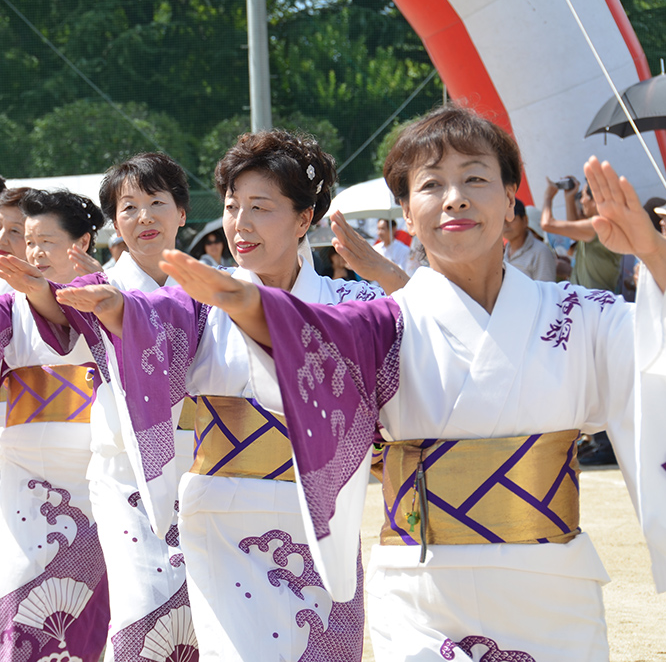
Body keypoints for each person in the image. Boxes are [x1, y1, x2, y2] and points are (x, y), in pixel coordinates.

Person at [71, 105, 666, 661]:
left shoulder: (580, 315)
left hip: (552, 584)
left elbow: (653, 353)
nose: (454, 198)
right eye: (431, 184)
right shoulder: (382, 324)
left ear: (512, 198)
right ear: (406, 212)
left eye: (476, 179)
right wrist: (225, 303)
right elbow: (308, 339)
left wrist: (655, 256)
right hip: (421, 587)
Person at [10, 132, 405, 661]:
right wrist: (117, 308)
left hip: (317, 516)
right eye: (231, 206)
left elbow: (418, 340)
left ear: (304, 219)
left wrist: (391, 276)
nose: (239, 223)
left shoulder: (349, 300)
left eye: (259, 208)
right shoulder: (202, 300)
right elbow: (156, 319)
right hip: (223, 518)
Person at [0, 153, 199, 661]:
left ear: (183, 211)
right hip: (87, 483)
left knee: (188, 630)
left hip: (195, 478)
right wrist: (56, 296)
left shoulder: (212, 292)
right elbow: (59, 316)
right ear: (114, 220)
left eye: (158, 203)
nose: (34, 252)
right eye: (130, 207)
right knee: (112, 622)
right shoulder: (81, 295)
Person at [0, 189, 110, 662]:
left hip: (96, 489)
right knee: (18, 618)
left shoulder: (119, 302)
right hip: (23, 485)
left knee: (81, 625)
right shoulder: (9, 306)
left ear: (82, 241)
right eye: (28, 241)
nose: (35, 251)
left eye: (47, 240)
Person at [541, 175, 622, 291]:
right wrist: (569, 198)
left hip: (597, 305)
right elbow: (573, 233)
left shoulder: (599, 226)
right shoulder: (598, 227)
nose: (581, 201)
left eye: (584, 196)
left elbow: (547, 224)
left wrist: (548, 197)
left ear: (595, 201)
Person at [503, 198, 556, 281]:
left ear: (525, 220)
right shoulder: (502, 254)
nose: (505, 225)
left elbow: (545, 291)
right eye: (501, 220)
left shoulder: (540, 252)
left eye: (511, 219)